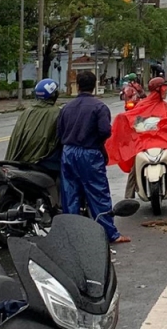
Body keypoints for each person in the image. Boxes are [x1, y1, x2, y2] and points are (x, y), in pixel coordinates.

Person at [57, 70, 130, 244]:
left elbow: (59, 132)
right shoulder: (99, 107)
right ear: (95, 85)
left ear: (78, 86)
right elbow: (105, 131)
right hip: (89, 153)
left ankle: (71, 235)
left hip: (68, 152)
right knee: (98, 192)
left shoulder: (66, 108)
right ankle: (110, 233)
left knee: (70, 193)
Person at [108, 76, 167, 208]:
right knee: (136, 164)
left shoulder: (165, 107)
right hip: (145, 142)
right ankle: (128, 197)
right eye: (164, 88)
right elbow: (135, 121)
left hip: (162, 142)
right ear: (158, 90)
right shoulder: (143, 105)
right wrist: (122, 118)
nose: (166, 91)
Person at [5, 79, 63, 174]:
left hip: (20, 161)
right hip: (44, 162)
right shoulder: (57, 113)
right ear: (54, 95)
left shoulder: (26, 112)